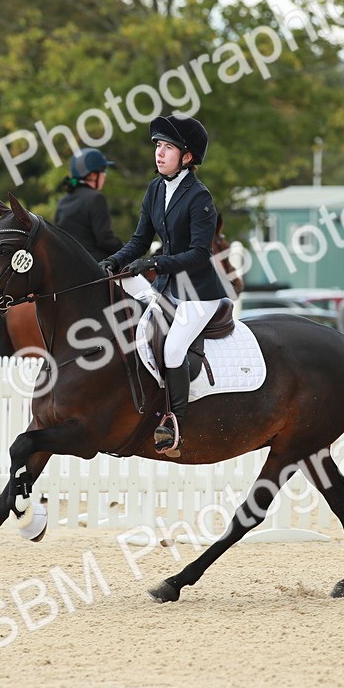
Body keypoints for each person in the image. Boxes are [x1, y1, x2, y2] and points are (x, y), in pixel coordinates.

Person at [101, 114, 225, 456]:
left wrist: (155, 263)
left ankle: (175, 423)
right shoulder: (155, 189)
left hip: (199, 295)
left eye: (168, 147)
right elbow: (139, 241)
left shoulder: (200, 197)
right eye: (158, 145)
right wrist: (114, 261)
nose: (159, 153)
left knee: (172, 349)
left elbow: (200, 253)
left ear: (187, 157)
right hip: (169, 289)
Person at [54, 147, 123, 261]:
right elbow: (105, 240)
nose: (104, 175)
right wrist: (128, 249)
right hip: (96, 266)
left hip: (70, 266)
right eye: (103, 171)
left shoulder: (63, 201)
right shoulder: (96, 198)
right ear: (92, 175)